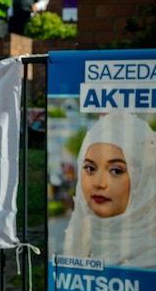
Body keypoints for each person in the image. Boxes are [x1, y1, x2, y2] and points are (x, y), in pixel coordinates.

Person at [62, 111, 156, 267]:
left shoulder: (150, 256)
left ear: (144, 181)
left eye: (116, 171)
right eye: (90, 168)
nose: (99, 183)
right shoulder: (79, 242)